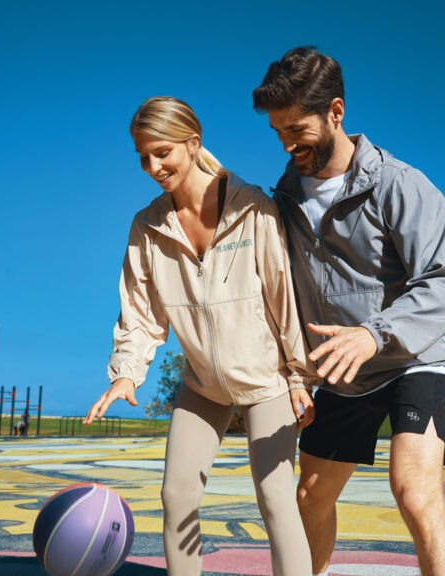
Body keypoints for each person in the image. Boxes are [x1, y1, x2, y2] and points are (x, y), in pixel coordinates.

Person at [253, 46, 445, 576]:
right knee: (310, 497)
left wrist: (375, 335)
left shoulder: (399, 184)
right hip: (340, 376)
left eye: (297, 129)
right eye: (277, 130)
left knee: (416, 492)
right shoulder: (280, 201)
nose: (286, 144)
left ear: (336, 112)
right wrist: (292, 371)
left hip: (409, 361)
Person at [83, 96, 317, 576]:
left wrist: (298, 376)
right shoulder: (147, 227)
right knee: (176, 496)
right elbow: (141, 313)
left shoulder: (252, 208)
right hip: (203, 385)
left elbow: (284, 296)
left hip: (268, 380)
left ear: (193, 144)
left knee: (275, 496)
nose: (153, 166)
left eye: (162, 152)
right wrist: (126, 375)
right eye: (143, 157)